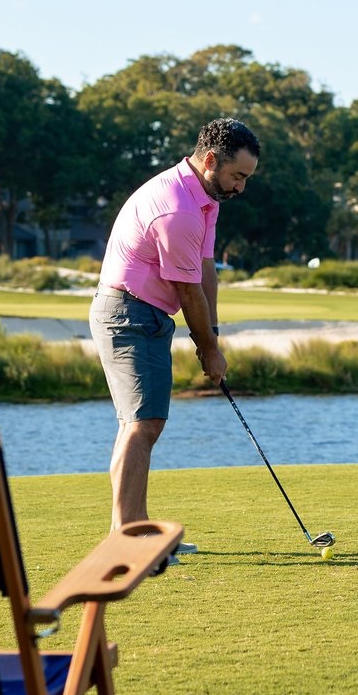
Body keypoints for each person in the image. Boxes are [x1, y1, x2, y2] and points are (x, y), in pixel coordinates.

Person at [90, 118, 261, 545]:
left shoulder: (204, 197)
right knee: (144, 423)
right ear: (209, 161)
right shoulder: (178, 209)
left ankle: (130, 528)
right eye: (237, 176)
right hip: (129, 313)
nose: (240, 187)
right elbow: (188, 294)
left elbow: (206, 273)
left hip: (142, 314)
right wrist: (209, 351)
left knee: (137, 423)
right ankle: (130, 536)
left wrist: (214, 335)